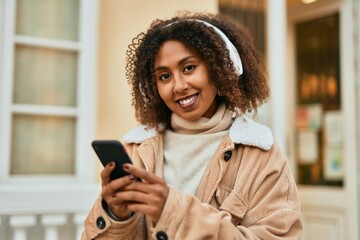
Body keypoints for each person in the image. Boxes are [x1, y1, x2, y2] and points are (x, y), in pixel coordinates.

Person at [82, 12, 303, 240]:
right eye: (165, 76)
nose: (178, 86)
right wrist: (116, 216)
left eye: (188, 68)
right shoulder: (137, 150)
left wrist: (174, 212)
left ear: (218, 69)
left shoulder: (260, 156)